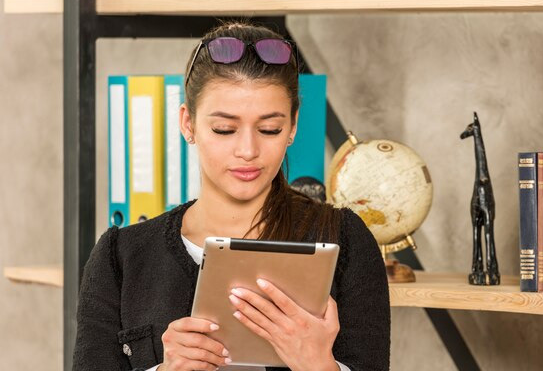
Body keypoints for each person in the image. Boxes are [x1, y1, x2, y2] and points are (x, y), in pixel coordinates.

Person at [72, 20, 390, 371]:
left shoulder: (344, 240)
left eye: (270, 129)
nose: (248, 150)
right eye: (224, 129)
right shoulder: (122, 257)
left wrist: (318, 364)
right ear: (188, 124)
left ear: (293, 126)